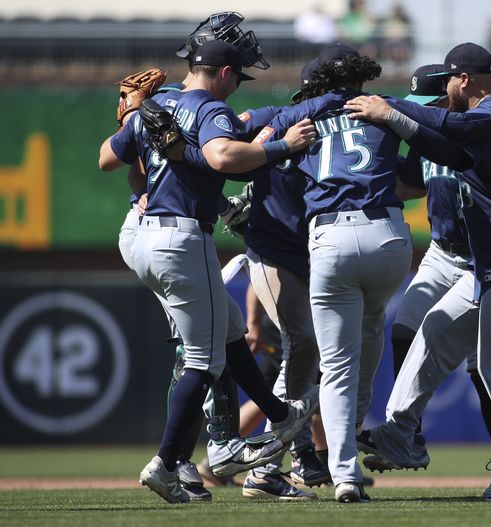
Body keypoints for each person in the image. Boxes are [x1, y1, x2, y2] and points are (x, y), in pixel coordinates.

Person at [345, 42, 491, 501]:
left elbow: (451, 125)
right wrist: (397, 120)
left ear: (462, 79)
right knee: (433, 329)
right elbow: (445, 149)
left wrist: (390, 110)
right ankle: (399, 434)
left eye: (448, 80)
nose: (445, 90)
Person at [98, 39, 319, 504]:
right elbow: (222, 159)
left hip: (145, 235)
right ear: (222, 72)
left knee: (231, 330)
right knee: (204, 360)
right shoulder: (209, 108)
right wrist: (282, 146)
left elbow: (106, 158)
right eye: (237, 76)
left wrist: (135, 131)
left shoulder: (155, 106)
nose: (236, 86)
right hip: (182, 237)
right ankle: (170, 463)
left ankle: (279, 414)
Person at [255, 43, 413, 503]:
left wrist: (301, 114)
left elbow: (253, 144)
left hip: (331, 239)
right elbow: (440, 139)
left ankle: (343, 473)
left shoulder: (303, 115)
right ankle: (368, 433)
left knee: (336, 366)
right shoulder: (385, 107)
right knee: (369, 338)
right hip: (388, 236)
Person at [359, 63, 491, 498]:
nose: (424, 112)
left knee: (483, 371)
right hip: (442, 252)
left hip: (483, 262)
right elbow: (407, 186)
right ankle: (409, 437)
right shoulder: (425, 140)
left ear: (453, 97)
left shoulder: (477, 133)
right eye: (420, 106)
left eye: (433, 104)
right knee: (404, 330)